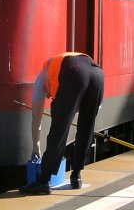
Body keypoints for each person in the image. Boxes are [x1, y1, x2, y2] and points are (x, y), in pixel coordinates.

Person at [20, 52, 104, 195]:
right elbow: (90, 111)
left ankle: (43, 181)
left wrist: (36, 148)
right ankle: (76, 176)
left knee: (59, 129)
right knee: (87, 127)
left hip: (75, 72)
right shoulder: (57, 68)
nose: (49, 97)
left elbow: (36, 120)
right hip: (98, 74)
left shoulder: (41, 80)